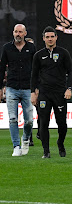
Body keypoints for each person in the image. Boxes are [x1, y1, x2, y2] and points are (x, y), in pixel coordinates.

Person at [30, 26, 72, 158]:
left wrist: (69, 88)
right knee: (43, 122)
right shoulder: (38, 55)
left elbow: (70, 72)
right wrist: (33, 92)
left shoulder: (63, 53)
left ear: (56, 37)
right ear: (43, 38)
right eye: (47, 37)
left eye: (52, 36)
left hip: (60, 93)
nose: (50, 39)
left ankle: (60, 143)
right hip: (44, 93)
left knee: (62, 123)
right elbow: (34, 75)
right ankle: (46, 151)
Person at [0, 24, 36, 156]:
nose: (18, 34)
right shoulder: (7, 48)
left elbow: (36, 69)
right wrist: (0, 88)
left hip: (28, 88)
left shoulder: (31, 48)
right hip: (11, 88)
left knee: (29, 121)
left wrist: (36, 88)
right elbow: (2, 67)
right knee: (12, 119)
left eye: (20, 32)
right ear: (13, 33)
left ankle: (25, 139)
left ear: (25, 33)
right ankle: (16, 146)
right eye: (16, 31)